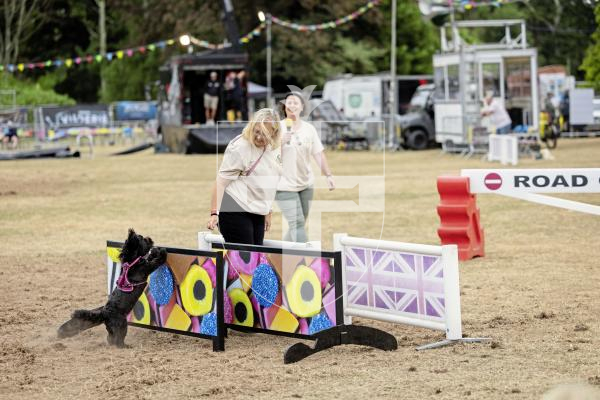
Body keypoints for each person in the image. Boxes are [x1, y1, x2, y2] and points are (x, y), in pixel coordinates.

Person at [206, 108, 282, 245]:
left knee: (257, 253)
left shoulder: (274, 149)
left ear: (274, 133)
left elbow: (271, 183)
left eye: (265, 134)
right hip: (234, 207)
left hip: (257, 211)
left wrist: (268, 211)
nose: (259, 137)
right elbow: (221, 182)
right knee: (246, 255)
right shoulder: (240, 147)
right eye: (257, 131)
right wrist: (214, 213)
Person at [275, 92, 335, 243]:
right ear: (284, 107)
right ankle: (307, 255)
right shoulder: (277, 128)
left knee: (297, 225)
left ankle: (279, 254)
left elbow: (318, 154)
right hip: (283, 185)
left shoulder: (309, 129)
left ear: (302, 107)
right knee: (297, 224)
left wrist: (328, 175)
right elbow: (267, 153)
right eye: (289, 102)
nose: (292, 105)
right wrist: (280, 142)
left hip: (306, 184)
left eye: (296, 103)